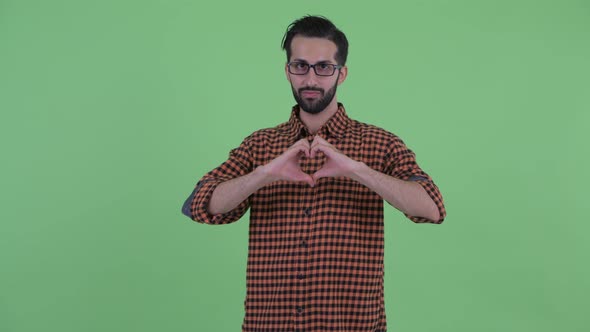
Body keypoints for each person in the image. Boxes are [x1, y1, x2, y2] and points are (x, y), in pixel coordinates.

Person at [182, 15, 446, 332]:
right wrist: (264, 174)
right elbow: (198, 204)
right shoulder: (261, 144)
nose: (310, 79)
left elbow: (432, 207)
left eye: (323, 67)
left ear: (341, 73)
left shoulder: (379, 143)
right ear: (287, 70)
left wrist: (357, 170)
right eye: (300, 66)